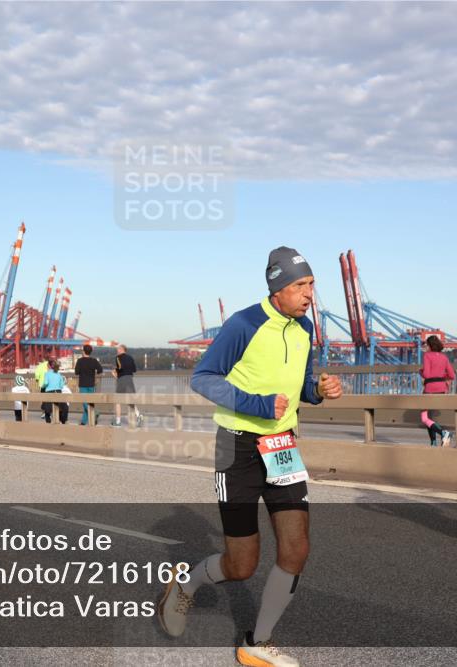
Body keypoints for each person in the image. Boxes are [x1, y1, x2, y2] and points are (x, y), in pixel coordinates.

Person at [160, 246, 342, 667]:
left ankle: (257, 642)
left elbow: (301, 384)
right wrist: (256, 404)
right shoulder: (243, 324)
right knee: (241, 565)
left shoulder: (305, 329)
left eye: (312, 284)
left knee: (296, 550)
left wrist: (318, 391)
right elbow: (203, 378)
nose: (309, 294)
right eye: (301, 285)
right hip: (237, 448)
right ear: (278, 288)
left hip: (282, 448)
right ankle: (185, 585)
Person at [419, 335, 455, 447]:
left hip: (430, 388)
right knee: (431, 418)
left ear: (430, 345)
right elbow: (452, 375)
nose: (426, 347)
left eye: (426, 345)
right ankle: (433, 442)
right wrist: (441, 376)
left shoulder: (427, 355)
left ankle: (443, 433)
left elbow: (426, 374)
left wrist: (420, 372)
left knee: (425, 418)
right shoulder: (444, 357)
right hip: (442, 389)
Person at [113, 344, 143, 427]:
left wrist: (115, 371)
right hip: (130, 379)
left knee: (118, 400)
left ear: (122, 349)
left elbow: (120, 367)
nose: (117, 350)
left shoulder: (118, 357)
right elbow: (134, 370)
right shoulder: (130, 357)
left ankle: (118, 422)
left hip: (122, 379)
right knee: (131, 399)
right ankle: (138, 415)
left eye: (118, 349)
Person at [74, 344, 103, 425]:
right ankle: (84, 422)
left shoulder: (80, 361)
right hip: (91, 384)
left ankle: (95, 413)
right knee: (89, 403)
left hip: (83, 384)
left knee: (85, 403)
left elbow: (76, 372)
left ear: (83, 351)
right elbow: (100, 370)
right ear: (90, 352)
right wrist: (95, 374)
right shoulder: (94, 360)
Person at [41, 359, 68, 424]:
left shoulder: (47, 374)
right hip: (58, 392)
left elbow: (46, 383)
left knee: (47, 409)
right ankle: (62, 421)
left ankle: (48, 422)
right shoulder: (58, 374)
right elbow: (62, 385)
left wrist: (42, 386)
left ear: (49, 366)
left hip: (49, 392)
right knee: (61, 407)